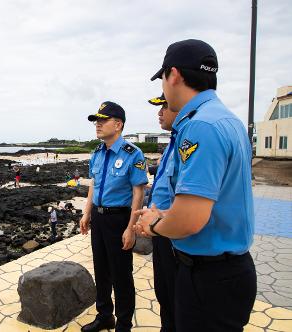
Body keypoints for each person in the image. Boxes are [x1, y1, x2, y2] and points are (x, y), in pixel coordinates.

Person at [135, 39, 256, 332]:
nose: (163, 89)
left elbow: (190, 219)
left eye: (162, 79)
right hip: (225, 272)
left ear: (173, 75)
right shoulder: (228, 120)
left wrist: (153, 224)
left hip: (210, 276)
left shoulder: (200, 126)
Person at [80, 101, 147, 332]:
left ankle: (124, 324)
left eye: (102, 120)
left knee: (121, 275)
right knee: (101, 269)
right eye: (96, 121)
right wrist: (87, 213)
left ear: (118, 124)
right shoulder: (97, 153)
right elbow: (93, 185)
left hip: (119, 219)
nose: (97, 125)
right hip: (99, 219)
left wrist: (131, 227)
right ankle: (104, 316)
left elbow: (139, 191)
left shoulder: (133, 154)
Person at [144, 93, 179, 332]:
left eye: (164, 107)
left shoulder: (191, 141)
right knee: (164, 294)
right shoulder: (173, 142)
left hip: (174, 235)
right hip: (161, 234)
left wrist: (155, 223)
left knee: (176, 300)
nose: (159, 112)